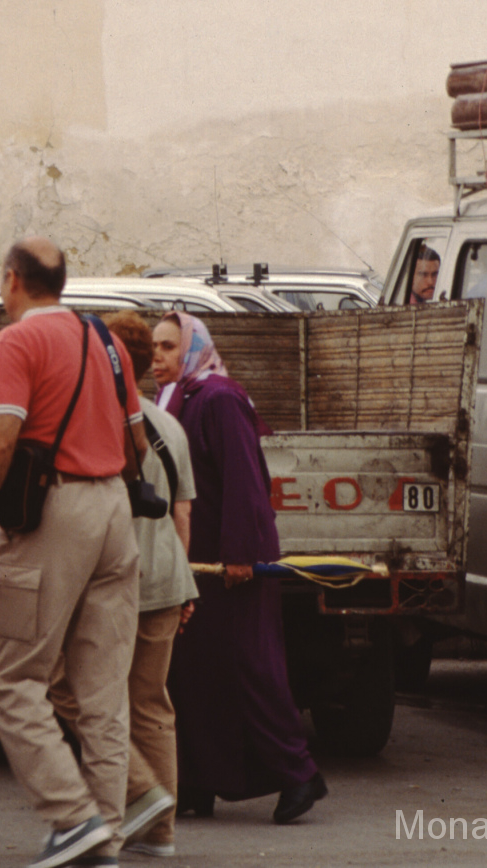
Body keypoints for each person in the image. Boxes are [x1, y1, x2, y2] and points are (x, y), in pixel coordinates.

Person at [0, 237, 145, 868]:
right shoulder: (106, 340)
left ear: (12, 280)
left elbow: (0, 439)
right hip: (114, 506)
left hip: (56, 511)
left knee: (12, 679)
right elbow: (137, 443)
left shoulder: (16, 341)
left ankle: (73, 820)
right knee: (103, 694)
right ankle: (105, 837)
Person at [151, 311, 327, 825]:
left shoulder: (219, 398)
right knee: (194, 671)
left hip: (232, 562)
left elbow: (245, 478)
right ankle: (198, 782)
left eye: (167, 346)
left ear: (192, 349)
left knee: (248, 667)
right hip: (197, 562)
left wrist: (241, 554)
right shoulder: (176, 398)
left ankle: (299, 775)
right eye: (153, 347)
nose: (156, 357)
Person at [49, 310, 196, 859]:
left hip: (111, 580)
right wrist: (183, 583)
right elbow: (182, 512)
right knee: (152, 705)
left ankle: (138, 793)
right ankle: (160, 834)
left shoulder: (96, 421)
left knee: (72, 689)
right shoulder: (170, 426)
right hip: (165, 577)